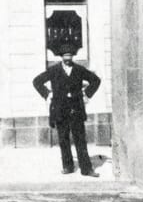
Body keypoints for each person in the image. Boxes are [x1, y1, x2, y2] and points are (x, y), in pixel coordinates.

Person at [32, 43, 102, 177]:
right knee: (63, 139)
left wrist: (86, 94)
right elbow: (37, 81)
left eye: (70, 55)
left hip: (76, 109)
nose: (68, 58)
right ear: (61, 57)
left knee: (80, 139)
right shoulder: (54, 71)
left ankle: (86, 169)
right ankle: (68, 166)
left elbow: (96, 80)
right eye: (65, 56)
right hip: (60, 110)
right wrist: (47, 94)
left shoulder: (79, 70)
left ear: (73, 56)